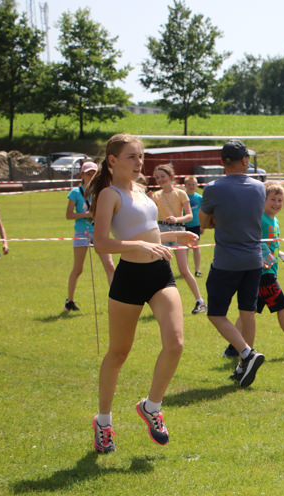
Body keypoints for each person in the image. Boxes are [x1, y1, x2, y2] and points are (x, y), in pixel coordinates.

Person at [88, 133, 199, 453]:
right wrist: (138, 244)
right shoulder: (109, 195)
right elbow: (101, 243)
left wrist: (175, 234)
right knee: (118, 353)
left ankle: (152, 406)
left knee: (175, 343)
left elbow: (150, 231)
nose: (140, 163)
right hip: (130, 277)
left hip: (159, 274)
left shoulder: (140, 190)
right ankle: (104, 422)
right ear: (112, 161)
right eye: (132, 157)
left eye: (141, 156)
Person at [223, 182, 284, 360]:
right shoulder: (259, 218)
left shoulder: (274, 220)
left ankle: (232, 347)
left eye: (280, 200)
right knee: (283, 308)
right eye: (272, 199)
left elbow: (271, 247)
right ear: (262, 200)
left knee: (248, 312)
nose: (276, 203)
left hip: (266, 272)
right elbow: (255, 243)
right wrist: (265, 258)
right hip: (262, 274)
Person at [199, 139, 266, 388]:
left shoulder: (214, 188)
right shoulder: (260, 188)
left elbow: (204, 223)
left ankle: (247, 354)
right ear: (245, 161)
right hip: (254, 260)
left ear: (222, 162)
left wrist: (219, 219)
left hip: (226, 261)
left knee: (216, 313)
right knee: (247, 313)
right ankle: (241, 367)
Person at [152, 164, 206, 314]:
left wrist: (176, 219)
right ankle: (166, 305)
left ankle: (200, 301)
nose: (160, 180)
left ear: (171, 177)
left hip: (178, 231)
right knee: (163, 270)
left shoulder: (181, 194)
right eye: (157, 177)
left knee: (183, 270)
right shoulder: (155, 195)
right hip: (161, 232)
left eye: (162, 176)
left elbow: (189, 216)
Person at [64, 161, 115, 312]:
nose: (91, 176)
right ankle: (70, 300)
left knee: (110, 266)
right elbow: (68, 215)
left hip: (99, 231)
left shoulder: (101, 191)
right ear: (82, 175)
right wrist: (86, 214)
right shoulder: (75, 192)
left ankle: (115, 300)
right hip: (82, 232)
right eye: (88, 173)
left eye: (93, 173)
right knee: (78, 269)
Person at [183, 175, 203, 277]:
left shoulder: (199, 198)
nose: (191, 186)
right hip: (184, 225)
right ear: (185, 185)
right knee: (184, 248)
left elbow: (203, 212)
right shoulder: (182, 196)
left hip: (195, 225)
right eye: (189, 184)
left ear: (197, 185)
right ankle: (185, 270)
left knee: (196, 247)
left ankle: (197, 270)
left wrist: (202, 226)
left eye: (193, 184)